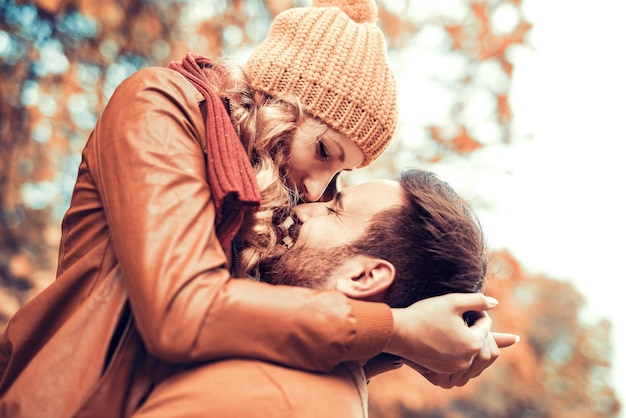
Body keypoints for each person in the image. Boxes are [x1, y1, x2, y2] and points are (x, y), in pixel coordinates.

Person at [0, 1, 514, 417]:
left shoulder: (257, 214)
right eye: (323, 154)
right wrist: (398, 329)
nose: (316, 191)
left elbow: (258, 325)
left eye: (338, 178)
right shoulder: (161, 105)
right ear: (283, 101)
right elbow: (182, 313)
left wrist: (414, 348)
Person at [131, 169, 518, 418]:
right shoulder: (319, 383)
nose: (305, 209)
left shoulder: (279, 395)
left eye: (334, 210)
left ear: (364, 277)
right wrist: (400, 348)